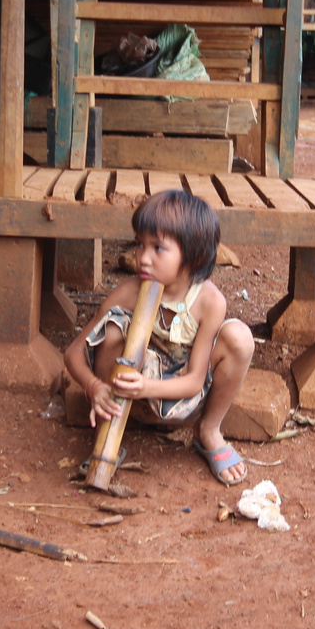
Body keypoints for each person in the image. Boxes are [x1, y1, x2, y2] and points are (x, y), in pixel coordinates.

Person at [64, 189, 254, 486]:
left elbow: (193, 380)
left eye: (158, 248)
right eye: (140, 244)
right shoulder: (128, 292)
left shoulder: (208, 301)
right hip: (129, 400)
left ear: (193, 255)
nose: (143, 257)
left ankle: (209, 431)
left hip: (182, 397)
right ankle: (108, 435)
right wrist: (94, 387)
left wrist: (146, 387)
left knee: (240, 337)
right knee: (113, 327)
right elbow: (73, 353)